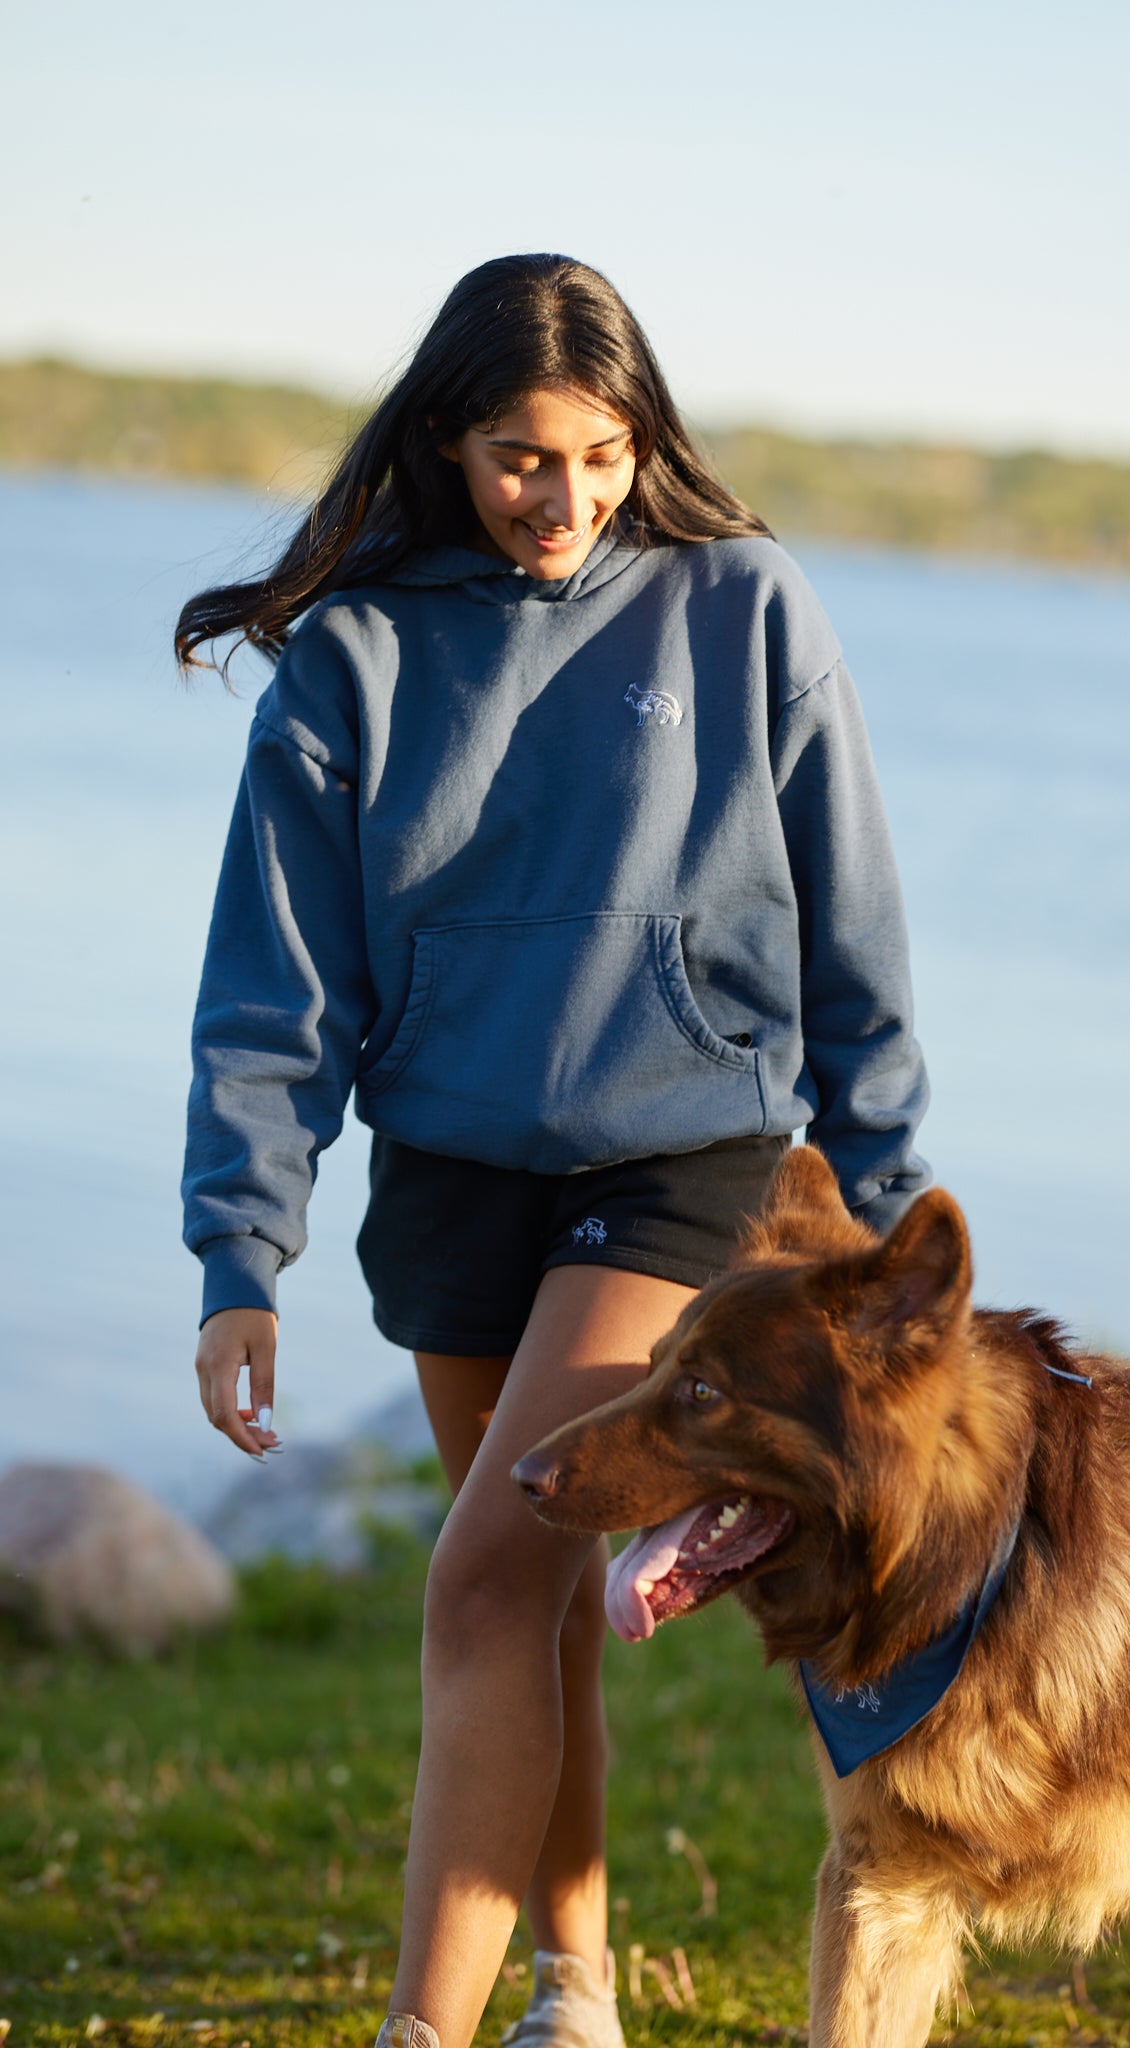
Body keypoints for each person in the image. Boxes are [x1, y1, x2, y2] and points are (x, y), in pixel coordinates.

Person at [178, 253, 930, 2048]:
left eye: (604, 455)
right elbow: (273, 980)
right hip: (451, 1164)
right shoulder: (354, 651)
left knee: (483, 1573)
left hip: (689, 1158)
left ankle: (417, 2031)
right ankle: (576, 1988)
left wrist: (884, 1221)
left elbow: (858, 931)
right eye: (525, 457)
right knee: (543, 1602)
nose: (568, 498)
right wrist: (238, 1251)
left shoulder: (742, 607)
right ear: (448, 440)